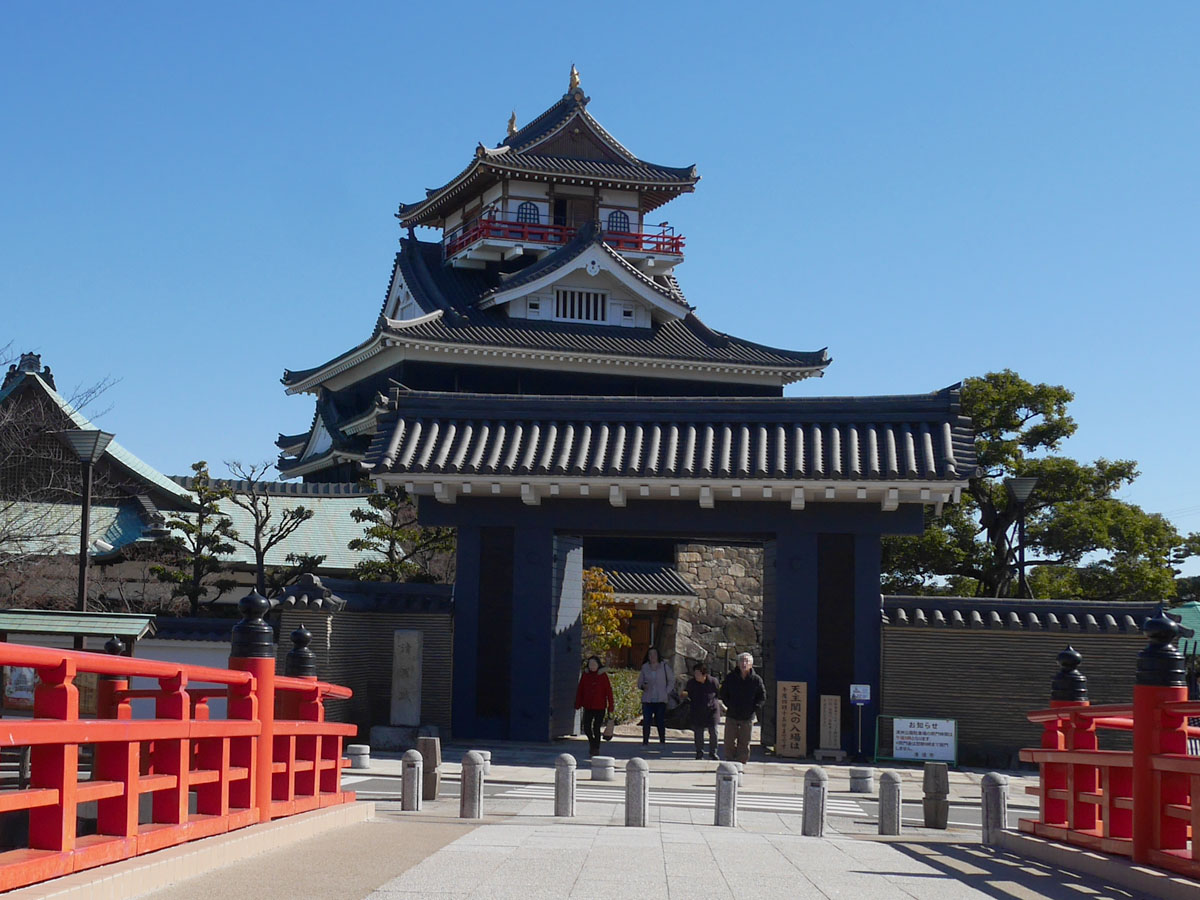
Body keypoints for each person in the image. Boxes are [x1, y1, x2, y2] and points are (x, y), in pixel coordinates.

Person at [719, 652, 765, 764]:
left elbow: (762, 696)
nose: (744, 663)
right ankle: (730, 760)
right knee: (729, 740)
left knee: (744, 741)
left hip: (747, 716)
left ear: (751, 664)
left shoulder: (756, 679)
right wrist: (729, 704)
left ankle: (741, 762)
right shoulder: (731, 677)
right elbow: (723, 693)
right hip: (732, 714)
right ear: (738, 663)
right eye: (742, 661)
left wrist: (754, 708)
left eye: (747, 661)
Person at [574, 655, 614, 756]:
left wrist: (611, 707)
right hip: (588, 706)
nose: (592, 666)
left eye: (594, 664)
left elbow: (609, 692)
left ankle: (596, 748)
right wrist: (578, 703)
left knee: (596, 727)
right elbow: (580, 689)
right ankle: (592, 744)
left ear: (598, 665)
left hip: (600, 707)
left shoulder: (603, 676)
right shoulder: (585, 675)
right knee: (586, 727)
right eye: (590, 664)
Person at [681, 662, 720, 760]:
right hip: (697, 710)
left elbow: (717, 694)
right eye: (695, 673)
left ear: (704, 674)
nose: (696, 675)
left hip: (712, 710)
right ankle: (699, 752)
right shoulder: (691, 683)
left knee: (714, 732)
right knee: (698, 732)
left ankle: (713, 752)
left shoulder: (713, 682)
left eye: (698, 673)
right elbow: (687, 694)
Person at [636, 647, 673, 746]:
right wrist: (643, 686)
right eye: (650, 654)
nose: (652, 656)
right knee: (646, 721)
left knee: (660, 721)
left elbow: (671, 680)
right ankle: (645, 741)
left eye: (654, 654)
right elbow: (639, 683)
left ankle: (662, 740)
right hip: (648, 699)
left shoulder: (664, 666)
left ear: (658, 655)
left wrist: (666, 691)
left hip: (661, 699)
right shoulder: (645, 667)